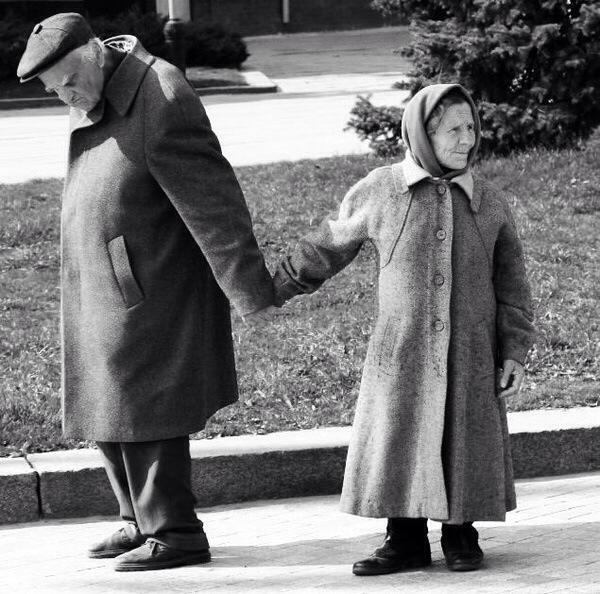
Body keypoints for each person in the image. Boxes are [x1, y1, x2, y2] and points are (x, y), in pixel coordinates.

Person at [17, 13, 274, 571]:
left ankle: (176, 533)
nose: (65, 96)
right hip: (104, 279)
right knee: (107, 399)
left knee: (147, 405)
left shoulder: (160, 94)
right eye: (54, 90)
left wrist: (248, 284)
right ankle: (137, 519)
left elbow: (212, 196)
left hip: (151, 280)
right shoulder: (97, 86)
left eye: (69, 81)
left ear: (95, 50)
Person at [273, 83, 535, 575]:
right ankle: (405, 539)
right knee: (401, 436)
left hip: (470, 350)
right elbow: (329, 245)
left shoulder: (490, 202)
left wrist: (514, 349)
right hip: (402, 349)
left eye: (471, 127)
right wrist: (273, 286)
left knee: (463, 435)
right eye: (453, 130)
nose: (467, 139)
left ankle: (461, 534)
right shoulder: (381, 189)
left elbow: (513, 284)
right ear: (423, 134)